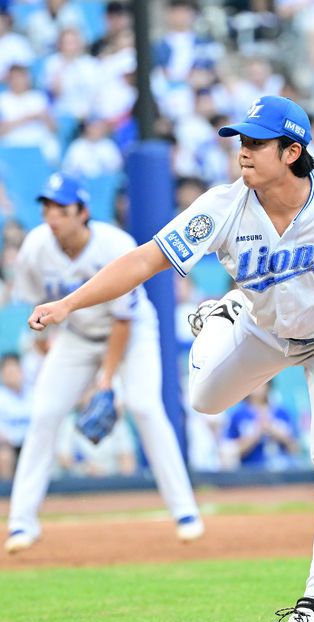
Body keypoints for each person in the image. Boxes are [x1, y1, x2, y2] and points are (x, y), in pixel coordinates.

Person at [25, 96, 314, 622]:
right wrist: (68, 303)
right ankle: (225, 313)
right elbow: (143, 260)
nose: (244, 152)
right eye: (242, 141)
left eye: (257, 142)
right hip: (265, 330)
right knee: (204, 399)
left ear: (292, 152)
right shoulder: (223, 206)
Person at [4, 172, 204, 554]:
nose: (52, 216)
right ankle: (21, 522)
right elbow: (35, 304)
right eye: (47, 208)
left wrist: (106, 382)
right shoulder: (36, 247)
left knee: (145, 407)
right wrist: (45, 346)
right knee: (44, 413)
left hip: (132, 333)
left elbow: (122, 322)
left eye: (62, 209)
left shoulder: (114, 245)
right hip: (75, 337)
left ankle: (185, 512)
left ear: (83, 213)